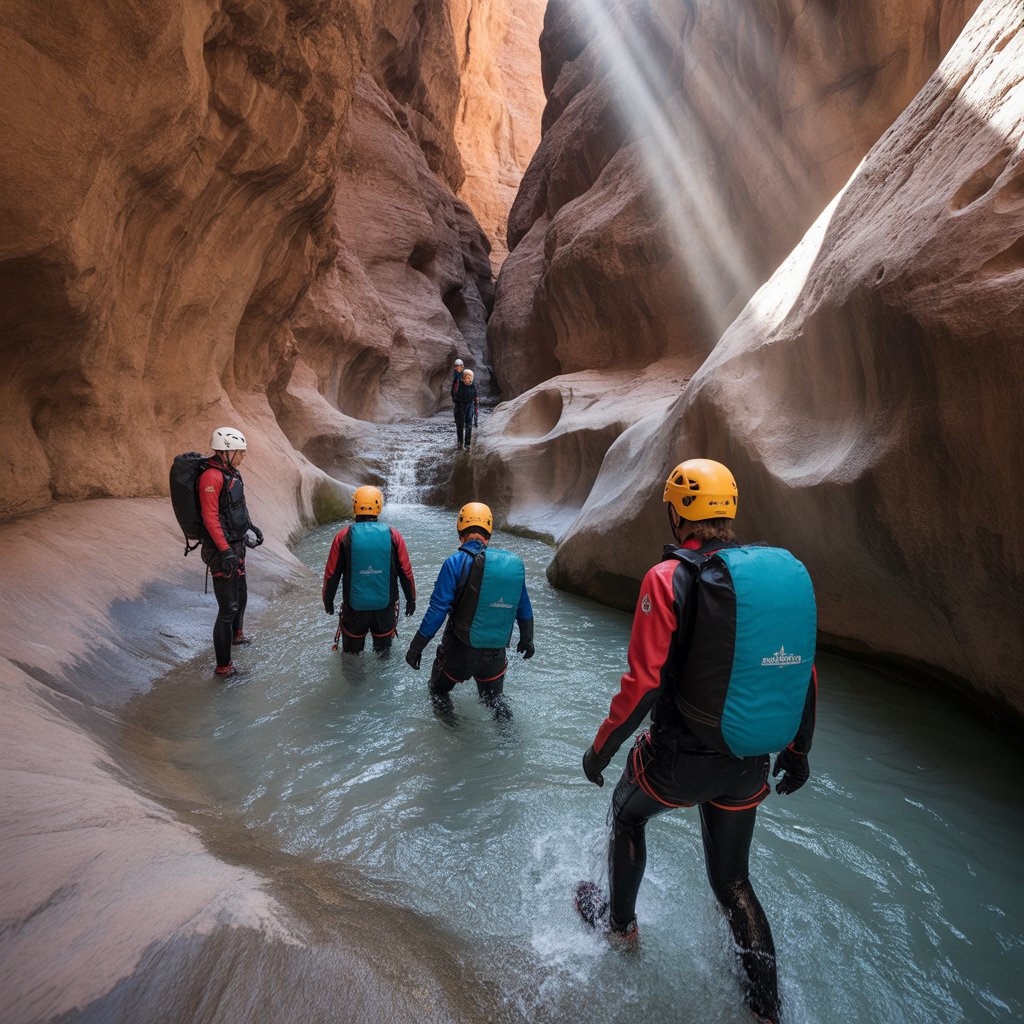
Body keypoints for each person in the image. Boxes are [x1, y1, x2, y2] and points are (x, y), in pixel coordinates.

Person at [576, 459, 817, 1024]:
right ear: (728, 512)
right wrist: (799, 751)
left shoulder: (667, 579)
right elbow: (802, 672)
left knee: (627, 816)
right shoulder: (766, 584)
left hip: (675, 763)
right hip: (748, 762)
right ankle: (765, 1011)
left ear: (677, 509)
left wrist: (601, 750)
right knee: (733, 881)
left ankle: (621, 930)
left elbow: (643, 683)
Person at [404, 501, 534, 719]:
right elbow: (524, 609)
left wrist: (416, 648)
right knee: (494, 701)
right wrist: (527, 639)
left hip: (459, 653)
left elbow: (437, 612)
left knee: (438, 691)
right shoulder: (508, 568)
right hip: (495, 655)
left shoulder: (454, 563)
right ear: (488, 532)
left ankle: (453, 737)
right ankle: (508, 741)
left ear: (460, 531)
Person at [199, 426, 264, 678]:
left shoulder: (230, 472)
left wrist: (250, 527)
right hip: (222, 551)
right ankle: (224, 667)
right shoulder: (211, 477)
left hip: (236, 545)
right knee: (227, 609)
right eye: (241, 452)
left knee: (241, 594)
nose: (244, 456)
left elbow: (236, 507)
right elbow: (210, 517)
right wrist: (224, 550)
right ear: (227, 451)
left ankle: (238, 636)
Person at [322, 485, 416, 655]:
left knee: (351, 657)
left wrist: (328, 601)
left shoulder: (343, 536)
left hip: (354, 610)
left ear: (355, 506)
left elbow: (331, 574)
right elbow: (406, 572)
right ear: (379, 506)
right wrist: (411, 599)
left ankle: (354, 681)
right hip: (385, 610)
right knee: (383, 655)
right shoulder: (394, 535)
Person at [453, 368, 479, 450]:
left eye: (469, 377)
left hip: (470, 405)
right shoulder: (459, 383)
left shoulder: (473, 385)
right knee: (460, 425)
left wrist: (476, 409)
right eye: (465, 377)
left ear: (471, 378)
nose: (467, 379)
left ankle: (467, 444)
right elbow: (454, 394)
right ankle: (460, 442)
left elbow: (475, 397)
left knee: (469, 424)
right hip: (460, 405)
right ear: (463, 377)